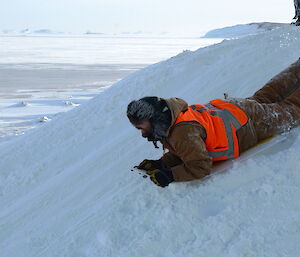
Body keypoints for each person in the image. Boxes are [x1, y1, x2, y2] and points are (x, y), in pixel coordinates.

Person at [127, 59, 300, 187]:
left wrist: (171, 175)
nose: (142, 133)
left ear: (154, 119)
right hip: (234, 110)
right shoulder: (173, 115)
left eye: (141, 127)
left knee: (292, 109)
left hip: (249, 124)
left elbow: (200, 166)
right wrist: (161, 164)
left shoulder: (182, 132)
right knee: (267, 96)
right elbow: (186, 149)